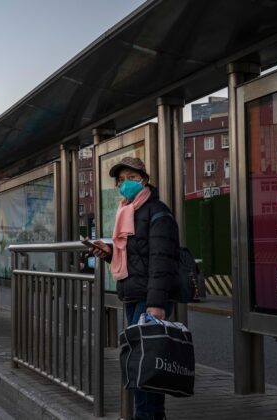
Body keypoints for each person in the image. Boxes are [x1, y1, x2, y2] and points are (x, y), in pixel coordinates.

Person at [89, 156, 180, 420]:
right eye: (120, 180)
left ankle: (146, 416)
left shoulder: (157, 212)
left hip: (148, 299)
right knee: (145, 364)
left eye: (130, 178)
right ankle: (154, 416)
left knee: (142, 364)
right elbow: (135, 258)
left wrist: (156, 304)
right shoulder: (129, 212)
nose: (124, 184)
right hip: (134, 294)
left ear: (144, 180)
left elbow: (162, 261)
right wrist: (108, 253)